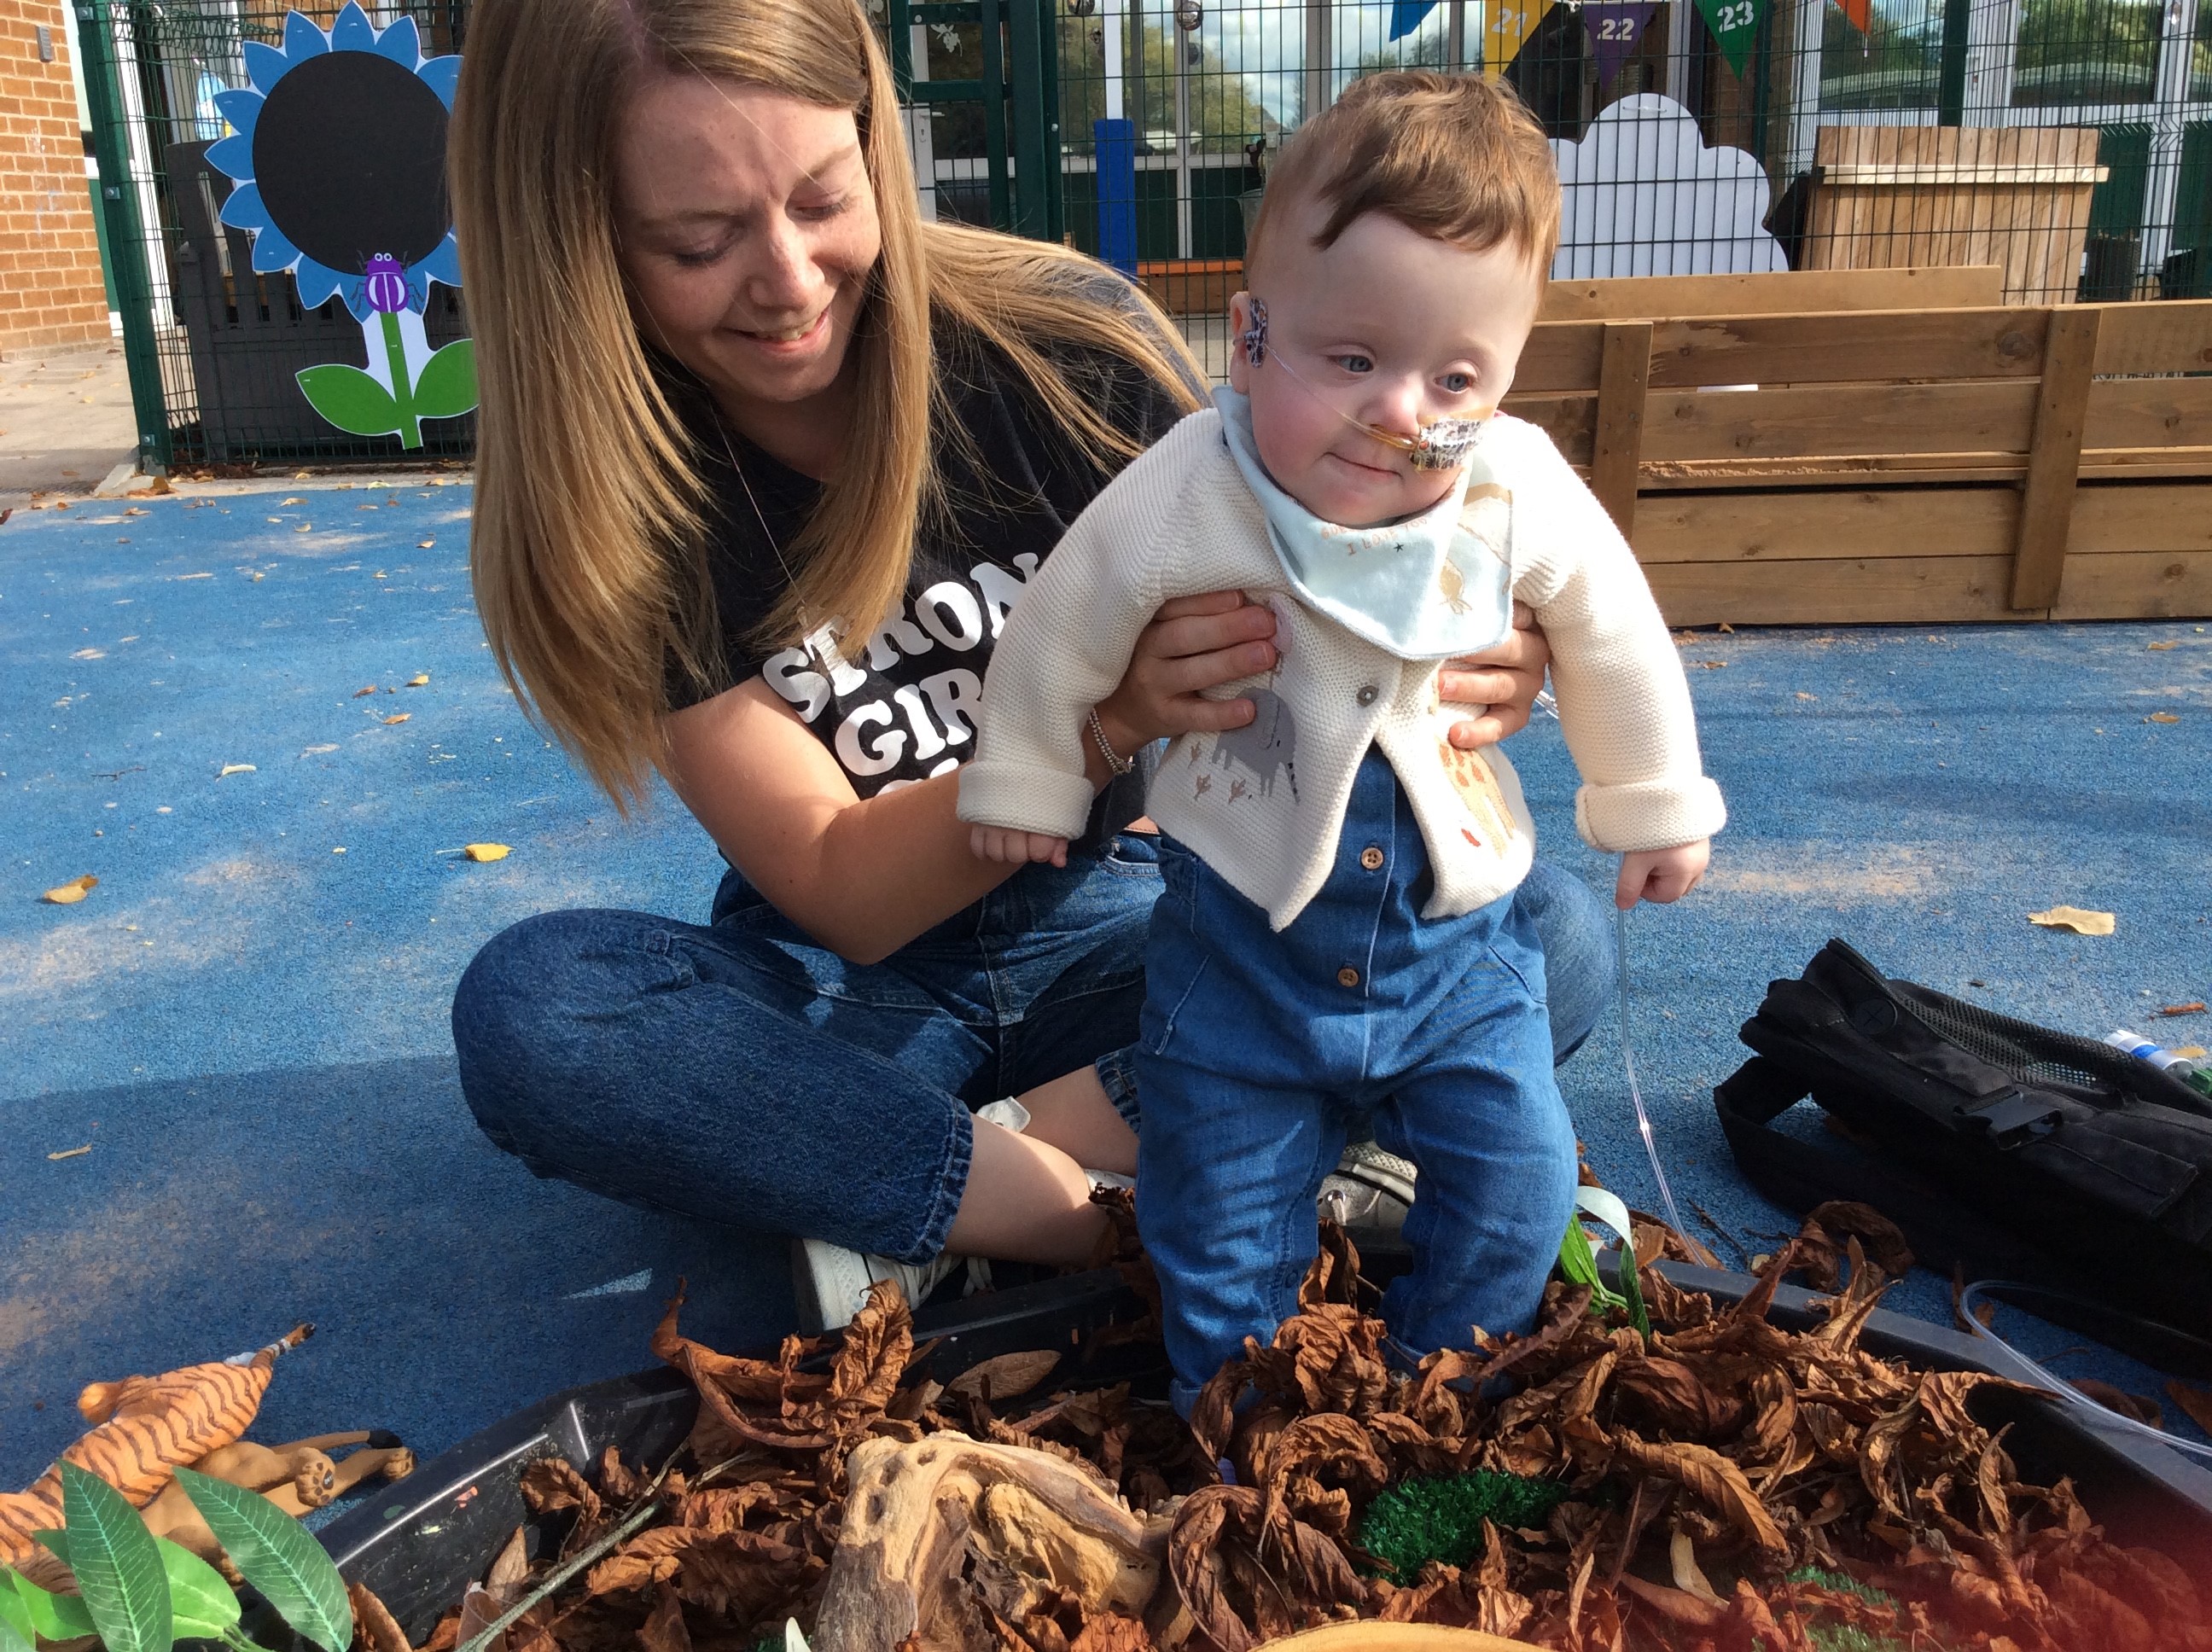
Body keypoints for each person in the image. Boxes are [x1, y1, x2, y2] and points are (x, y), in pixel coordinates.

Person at [444, 0, 1617, 1332]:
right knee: (543, 1012)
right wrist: (1102, 723)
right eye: (698, 242)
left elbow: (1329, 592)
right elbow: (840, 885)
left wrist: (1470, 654)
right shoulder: (620, 500)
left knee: (1544, 938)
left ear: (879, 147)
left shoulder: (1064, 350)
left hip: (1137, 925)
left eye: (826, 199)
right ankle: (1096, 1212)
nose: (785, 279)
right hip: (858, 985)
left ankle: (904, 1186)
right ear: (575, 237)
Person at [958, 72, 1725, 1407]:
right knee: (1220, 1217)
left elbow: (1612, 629)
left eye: (1457, 374)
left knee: (1517, 1183)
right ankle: (1243, 1425)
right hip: (1240, 954)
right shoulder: (1198, 480)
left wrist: (1652, 798)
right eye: (1354, 360)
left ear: (1509, 374)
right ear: (1252, 338)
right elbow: (1065, 616)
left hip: (1457, 951)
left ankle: (1442, 1379)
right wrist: (1025, 769)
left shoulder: (1514, 485)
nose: (1403, 412)